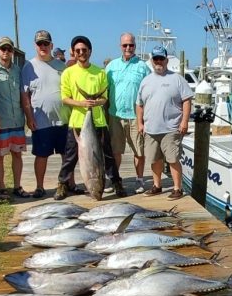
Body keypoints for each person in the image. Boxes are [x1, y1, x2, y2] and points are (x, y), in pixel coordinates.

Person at [58, 35, 126, 200]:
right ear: (73, 52)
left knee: (107, 156)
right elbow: (65, 98)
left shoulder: (100, 73)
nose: (81, 53)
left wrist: (95, 103)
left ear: (90, 51)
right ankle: (62, 185)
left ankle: (117, 183)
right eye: (78, 50)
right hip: (77, 122)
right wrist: (82, 104)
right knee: (70, 156)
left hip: (99, 121)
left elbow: (104, 98)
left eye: (84, 50)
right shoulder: (68, 73)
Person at [136, 46, 193, 201]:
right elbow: (139, 104)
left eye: (161, 58)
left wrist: (184, 121)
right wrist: (139, 123)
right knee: (154, 159)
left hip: (171, 128)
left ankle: (177, 188)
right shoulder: (145, 81)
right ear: (152, 61)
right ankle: (156, 185)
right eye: (156, 59)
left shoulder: (177, 79)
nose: (159, 61)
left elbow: (187, 101)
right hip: (150, 129)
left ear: (167, 60)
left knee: (173, 159)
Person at [21, 30, 71, 198]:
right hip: (41, 121)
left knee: (67, 155)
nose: (43, 46)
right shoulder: (29, 66)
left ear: (51, 45)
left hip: (63, 119)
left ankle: (68, 183)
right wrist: (29, 117)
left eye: (46, 43)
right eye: (40, 44)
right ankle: (40, 186)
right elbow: (25, 95)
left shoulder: (61, 66)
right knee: (41, 155)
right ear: (35, 46)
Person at [0, 36, 30, 200]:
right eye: (3, 48)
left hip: (17, 120)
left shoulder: (19, 70)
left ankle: (17, 186)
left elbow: (24, 95)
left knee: (17, 155)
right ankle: (1, 188)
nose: (6, 52)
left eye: (9, 49)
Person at [106, 32, 151, 193]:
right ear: (120, 46)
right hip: (115, 115)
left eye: (131, 45)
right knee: (115, 150)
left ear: (135, 46)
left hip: (135, 117)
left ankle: (139, 180)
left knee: (139, 151)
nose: (128, 48)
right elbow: (104, 90)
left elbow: (149, 93)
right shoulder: (111, 66)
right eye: (125, 45)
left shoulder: (143, 67)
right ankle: (114, 180)